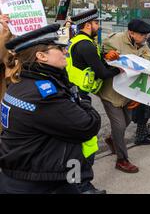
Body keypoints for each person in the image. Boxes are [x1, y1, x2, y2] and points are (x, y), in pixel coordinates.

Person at [0, 24, 101, 194]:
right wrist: (84, 100)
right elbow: (88, 125)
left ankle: (83, 186)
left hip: (28, 173)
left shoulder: (21, 83)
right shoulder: (43, 94)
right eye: (59, 48)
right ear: (41, 56)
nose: (65, 51)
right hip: (41, 181)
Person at [66, 8, 120, 192]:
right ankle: (81, 186)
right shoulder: (86, 44)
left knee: (79, 141)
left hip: (74, 93)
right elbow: (103, 72)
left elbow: (94, 62)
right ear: (88, 25)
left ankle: (78, 183)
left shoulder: (77, 41)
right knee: (86, 141)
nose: (98, 26)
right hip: (79, 97)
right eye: (96, 23)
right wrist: (121, 69)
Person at [98, 19, 150, 173]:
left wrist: (137, 96)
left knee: (127, 121)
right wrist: (106, 56)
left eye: (147, 35)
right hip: (111, 93)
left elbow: (148, 63)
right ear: (131, 33)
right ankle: (122, 160)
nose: (145, 37)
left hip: (128, 93)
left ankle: (111, 139)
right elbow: (100, 58)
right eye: (142, 35)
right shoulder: (113, 41)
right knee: (120, 126)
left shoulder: (143, 45)